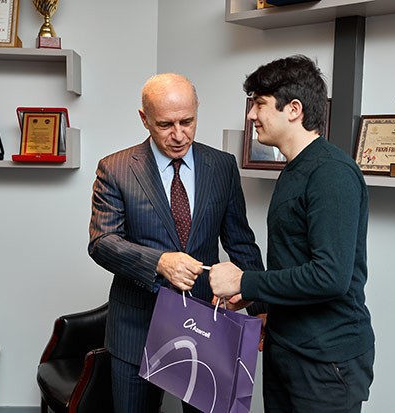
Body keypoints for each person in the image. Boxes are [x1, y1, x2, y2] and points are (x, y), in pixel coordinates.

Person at [88, 73, 264, 413]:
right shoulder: (115, 168)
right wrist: (159, 262)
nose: (179, 135)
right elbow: (102, 242)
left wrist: (260, 307)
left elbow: (241, 240)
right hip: (135, 330)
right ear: (144, 119)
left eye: (188, 121)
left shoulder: (222, 166)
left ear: (197, 111)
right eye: (166, 124)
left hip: (206, 325)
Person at [209, 55, 375, 413]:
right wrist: (258, 302)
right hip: (286, 348)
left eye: (260, 104)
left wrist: (244, 282)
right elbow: (294, 261)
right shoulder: (294, 169)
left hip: (325, 362)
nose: (251, 115)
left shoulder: (331, 173)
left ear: (294, 109)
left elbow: (330, 277)